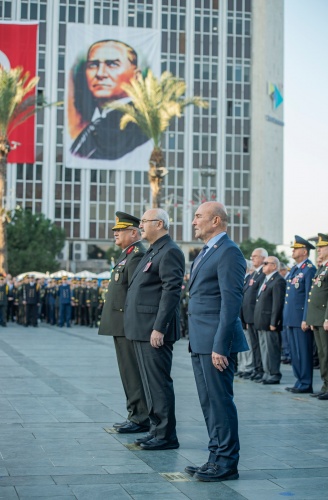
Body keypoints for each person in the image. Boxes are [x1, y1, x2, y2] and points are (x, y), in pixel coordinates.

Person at [185, 201, 248, 482]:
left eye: (199, 216)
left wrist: (220, 345)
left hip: (215, 343)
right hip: (200, 340)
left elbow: (231, 302)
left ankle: (226, 463)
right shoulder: (207, 251)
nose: (194, 221)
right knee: (208, 402)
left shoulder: (229, 253)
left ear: (217, 221)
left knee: (220, 402)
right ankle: (214, 457)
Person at [124, 208, 185, 450]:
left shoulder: (170, 251)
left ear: (159, 224)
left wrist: (159, 328)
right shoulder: (153, 250)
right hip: (141, 329)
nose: (140, 226)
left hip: (154, 331)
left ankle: (166, 435)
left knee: (158, 383)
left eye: (144, 222)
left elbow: (171, 292)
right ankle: (156, 428)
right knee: (149, 383)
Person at [99, 211, 149, 434]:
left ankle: (140, 417)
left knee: (132, 372)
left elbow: (135, 293)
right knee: (127, 371)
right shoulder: (127, 254)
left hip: (127, 324)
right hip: (120, 323)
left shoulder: (137, 254)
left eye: (120, 231)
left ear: (134, 232)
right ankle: (134, 413)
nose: (115, 234)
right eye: (115, 231)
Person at [70, 39, 149, 160]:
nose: (100, 74)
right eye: (93, 65)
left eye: (112, 64)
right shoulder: (96, 121)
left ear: (136, 76)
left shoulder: (140, 124)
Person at [283, 236, 316, 394]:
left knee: (303, 352)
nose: (293, 251)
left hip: (300, 319)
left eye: (296, 249)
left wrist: (306, 319)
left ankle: (306, 383)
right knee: (295, 353)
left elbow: (309, 296)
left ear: (304, 251)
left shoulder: (309, 269)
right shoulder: (296, 269)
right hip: (291, 318)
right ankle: (299, 381)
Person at [306, 233, 328, 400]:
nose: (319, 250)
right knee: (322, 354)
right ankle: (325, 384)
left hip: (325, 317)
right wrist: (312, 319)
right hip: (318, 317)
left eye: (322, 247)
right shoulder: (323, 267)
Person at [253, 256, 286, 385]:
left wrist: (274, 322)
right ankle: (267, 373)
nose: (263, 265)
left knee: (271, 349)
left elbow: (277, 304)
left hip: (269, 322)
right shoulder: (266, 280)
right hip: (262, 321)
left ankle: (274, 374)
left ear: (274, 266)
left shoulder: (278, 281)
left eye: (266, 263)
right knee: (264, 349)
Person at [241, 247, 267, 381]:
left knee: (258, 345)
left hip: (256, 316)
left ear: (263, 258)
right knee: (254, 345)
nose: (252, 258)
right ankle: (257, 368)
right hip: (249, 316)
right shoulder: (254, 275)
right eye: (252, 256)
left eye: (255, 256)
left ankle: (261, 369)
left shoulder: (263, 274)